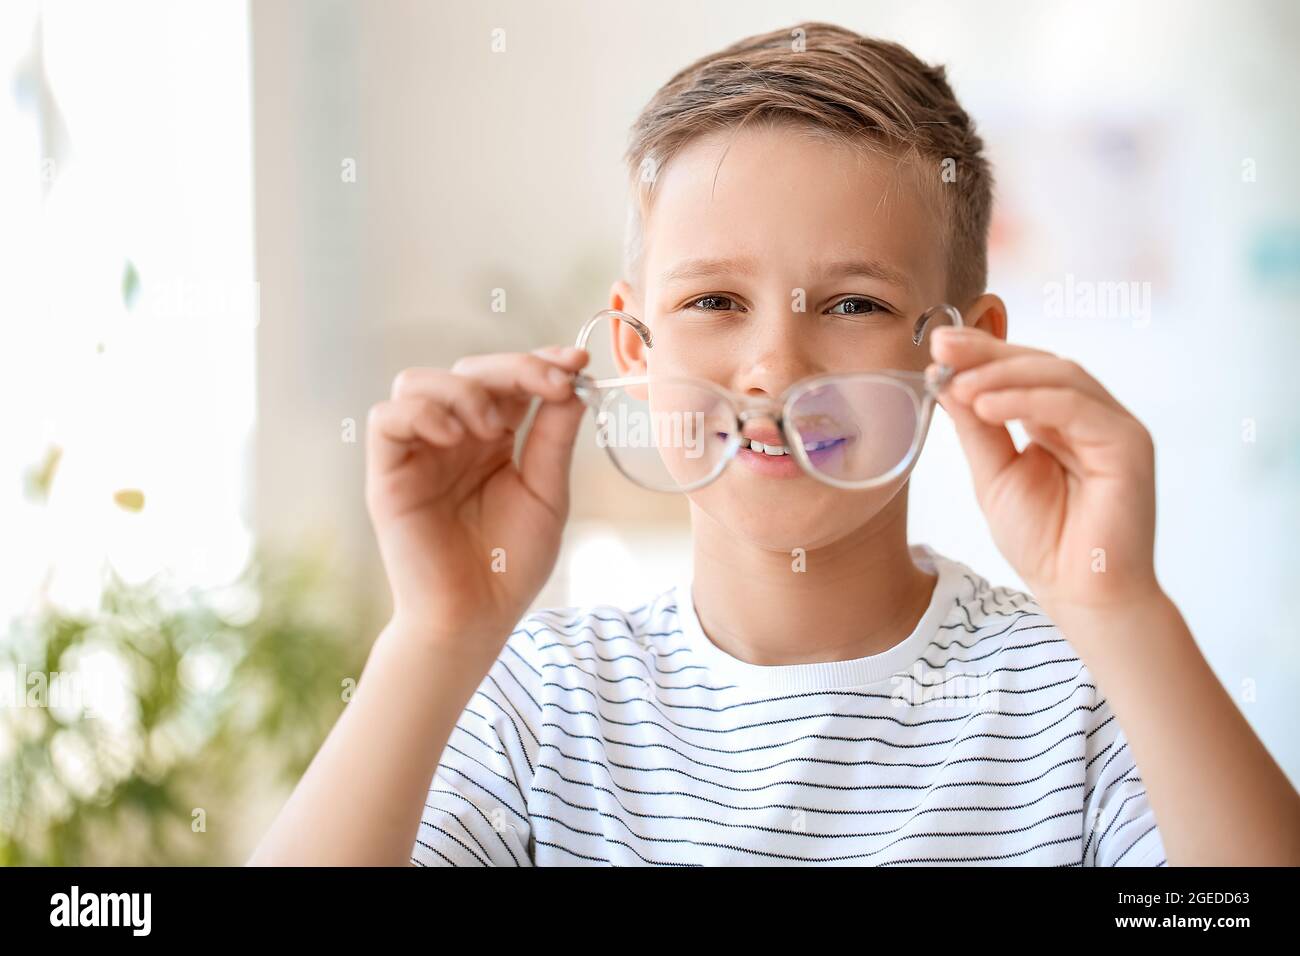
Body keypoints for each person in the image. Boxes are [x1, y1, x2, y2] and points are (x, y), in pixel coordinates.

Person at [250, 21, 1300, 866]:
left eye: (850, 302)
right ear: (634, 344)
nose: (773, 367)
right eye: (712, 297)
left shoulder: (1084, 692)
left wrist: (1122, 607)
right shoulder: (539, 704)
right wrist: (432, 636)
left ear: (959, 354)